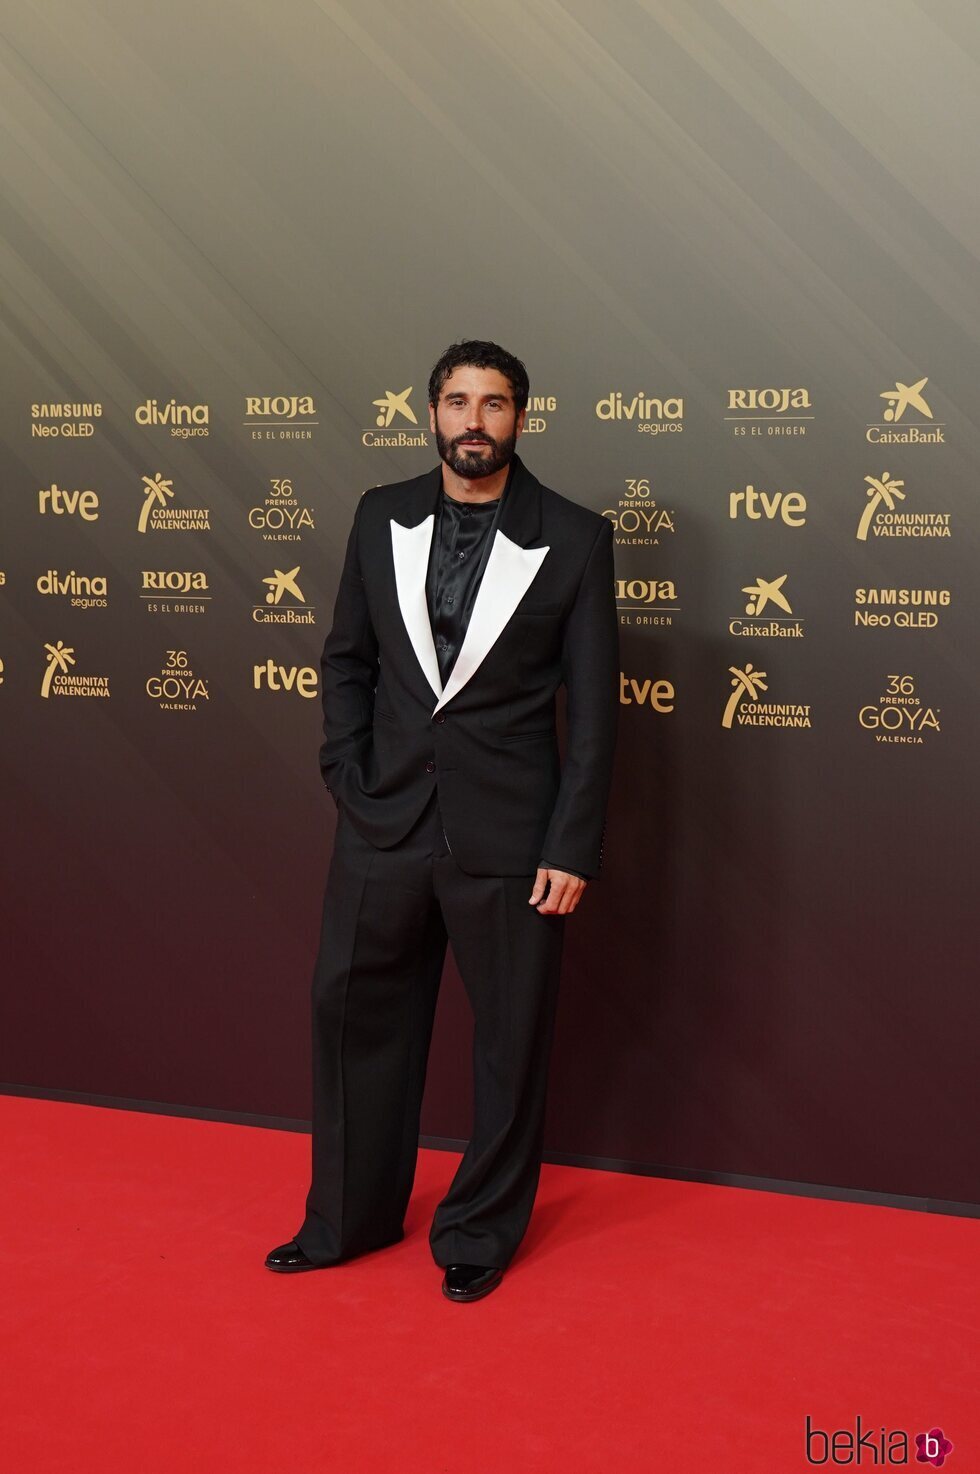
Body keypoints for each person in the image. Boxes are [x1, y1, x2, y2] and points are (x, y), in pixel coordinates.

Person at [265, 340, 619, 1301]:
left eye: (494, 404)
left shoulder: (577, 539)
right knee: (352, 1020)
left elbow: (593, 713)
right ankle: (347, 1218)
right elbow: (345, 659)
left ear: (520, 418)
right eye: (457, 401)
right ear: (430, 413)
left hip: (510, 836)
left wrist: (571, 843)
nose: (475, 420)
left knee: (510, 1040)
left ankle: (478, 1231)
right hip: (383, 819)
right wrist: (347, 770)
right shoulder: (379, 516)